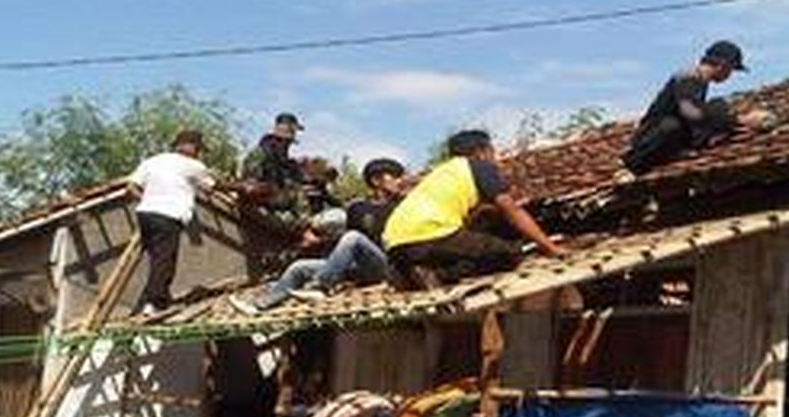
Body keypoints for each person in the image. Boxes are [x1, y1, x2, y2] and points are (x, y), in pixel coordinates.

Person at [383, 129, 564, 287]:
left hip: (395, 243)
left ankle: (408, 275)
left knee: (469, 247)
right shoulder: (479, 166)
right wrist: (550, 248)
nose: (495, 158)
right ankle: (438, 275)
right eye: (493, 152)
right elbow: (513, 210)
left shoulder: (441, 173)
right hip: (429, 234)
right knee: (508, 254)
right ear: (481, 153)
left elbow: (467, 220)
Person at [229, 158, 408, 314]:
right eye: (395, 176)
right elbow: (345, 241)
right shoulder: (357, 208)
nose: (400, 181)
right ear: (376, 180)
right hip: (358, 268)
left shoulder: (402, 207)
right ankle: (260, 306)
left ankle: (320, 287)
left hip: (385, 267)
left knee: (354, 238)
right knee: (299, 267)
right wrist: (320, 242)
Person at [622, 40, 774, 176]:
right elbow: (690, 111)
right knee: (674, 125)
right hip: (652, 138)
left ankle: (687, 145)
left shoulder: (700, 82)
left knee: (718, 106)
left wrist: (732, 126)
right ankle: (634, 163)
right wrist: (739, 120)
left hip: (676, 133)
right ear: (723, 65)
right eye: (731, 70)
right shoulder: (688, 76)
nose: (729, 75)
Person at [128, 129, 217, 314]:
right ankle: (155, 303)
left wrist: (149, 200)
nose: (199, 153)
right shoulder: (193, 165)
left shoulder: (152, 160)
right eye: (198, 148)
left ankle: (151, 299)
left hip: (145, 214)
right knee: (165, 259)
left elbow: (131, 187)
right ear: (191, 146)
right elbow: (211, 187)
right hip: (168, 216)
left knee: (156, 258)